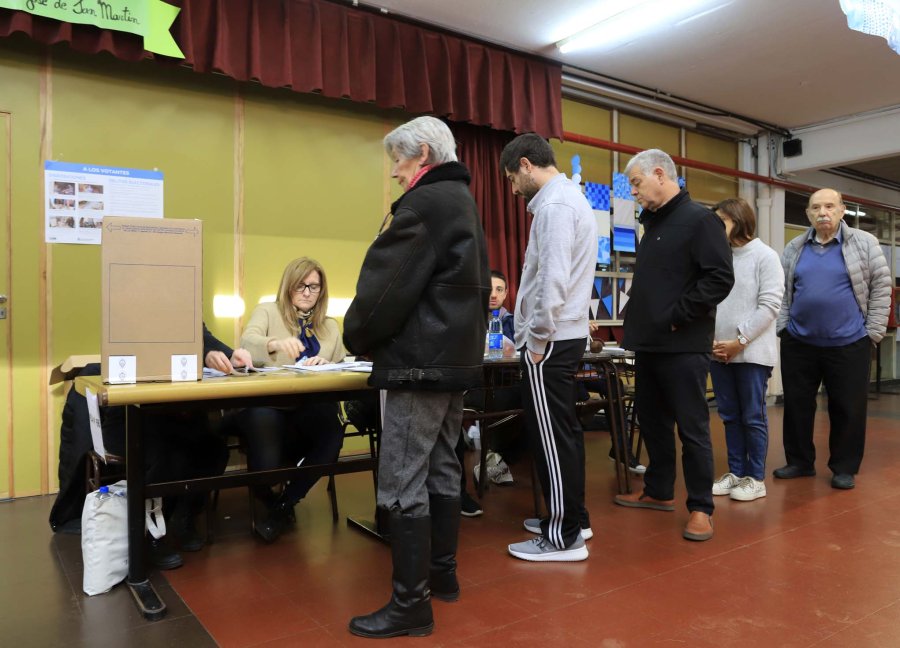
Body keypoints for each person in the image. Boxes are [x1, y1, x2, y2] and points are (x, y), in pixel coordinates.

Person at [344, 116, 490, 639]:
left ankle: (410, 606)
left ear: (422, 153)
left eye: (399, 165)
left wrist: (355, 337)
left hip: (417, 363)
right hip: (454, 362)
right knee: (443, 468)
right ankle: (441, 577)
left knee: (402, 478)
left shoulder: (423, 205)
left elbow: (385, 290)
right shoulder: (465, 203)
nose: (395, 176)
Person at [49, 324, 251, 570]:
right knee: (165, 454)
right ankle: (150, 535)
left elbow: (200, 335)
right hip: (126, 415)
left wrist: (225, 354)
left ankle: (182, 518)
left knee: (213, 449)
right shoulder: (131, 301)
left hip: (169, 413)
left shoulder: (184, 301)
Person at [613, 148, 733, 543]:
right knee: (652, 423)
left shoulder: (700, 220)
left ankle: (701, 508)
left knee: (693, 428)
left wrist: (679, 315)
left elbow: (718, 278)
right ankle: (660, 491)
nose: (633, 192)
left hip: (683, 344)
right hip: (650, 344)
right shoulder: (654, 222)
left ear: (660, 174)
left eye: (635, 182)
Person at [499, 133, 597, 562]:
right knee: (564, 433)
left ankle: (563, 536)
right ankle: (575, 517)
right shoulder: (569, 199)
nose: (513, 189)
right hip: (564, 335)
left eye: (511, 179)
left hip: (551, 340)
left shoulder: (555, 205)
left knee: (551, 437)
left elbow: (552, 280)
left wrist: (536, 338)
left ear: (525, 165)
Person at [773, 188, 891, 490]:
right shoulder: (795, 247)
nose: (822, 212)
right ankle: (799, 461)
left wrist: (872, 333)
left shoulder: (864, 244)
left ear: (842, 211)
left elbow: (881, 286)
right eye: (815, 207)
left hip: (850, 343)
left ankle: (844, 466)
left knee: (848, 408)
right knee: (798, 405)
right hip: (799, 342)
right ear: (808, 214)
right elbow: (784, 291)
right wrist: (784, 327)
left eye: (829, 206)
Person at [237, 257, 346, 542]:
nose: (308, 293)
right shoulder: (267, 311)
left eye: (315, 287)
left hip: (309, 407)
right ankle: (265, 490)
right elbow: (246, 342)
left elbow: (344, 365)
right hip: (270, 405)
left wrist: (328, 364)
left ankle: (285, 505)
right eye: (301, 286)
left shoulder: (330, 327)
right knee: (264, 444)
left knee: (333, 429)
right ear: (288, 287)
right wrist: (272, 343)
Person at [709, 198, 784, 502]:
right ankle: (736, 472)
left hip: (751, 353)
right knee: (729, 415)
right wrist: (715, 343)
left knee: (752, 416)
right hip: (719, 352)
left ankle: (755, 477)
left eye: (721, 222)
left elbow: (769, 307)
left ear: (738, 221)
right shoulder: (719, 256)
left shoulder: (765, 256)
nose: (715, 229)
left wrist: (738, 341)